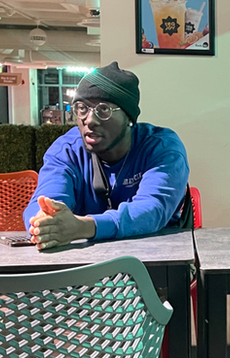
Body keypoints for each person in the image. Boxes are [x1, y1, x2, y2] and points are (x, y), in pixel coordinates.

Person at [24, 61, 190, 250]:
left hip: (156, 256)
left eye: (104, 110)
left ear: (129, 118)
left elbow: (152, 209)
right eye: (82, 108)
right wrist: (44, 222)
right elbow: (47, 199)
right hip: (84, 262)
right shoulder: (66, 151)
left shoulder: (161, 147)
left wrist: (83, 227)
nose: (90, 120)